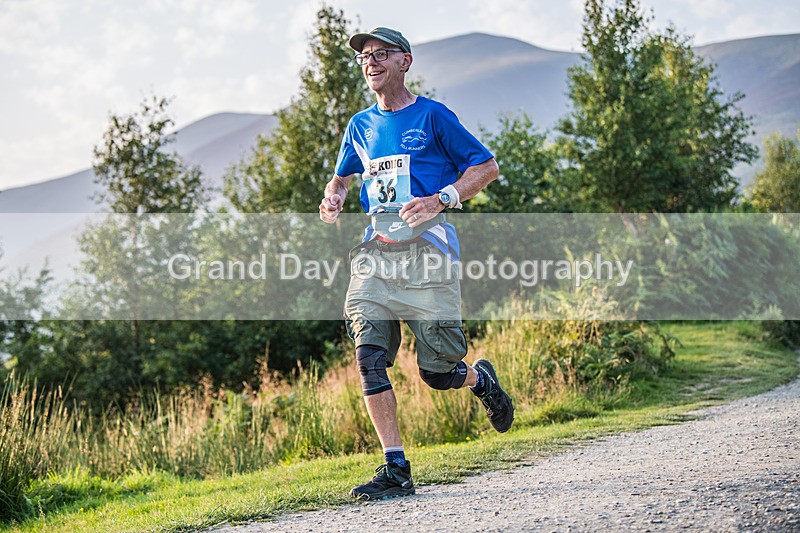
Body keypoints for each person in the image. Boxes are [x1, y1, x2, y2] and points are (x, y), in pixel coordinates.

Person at [319, 27, 514, 501]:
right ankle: (396, 468)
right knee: (368, 356)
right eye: (364, 56)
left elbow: (486, 168)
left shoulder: (433, 116)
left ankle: (481, 380)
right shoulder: (359, 125)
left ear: (404, 61)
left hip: (429, 253)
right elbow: (342, 176)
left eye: (380, 54)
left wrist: (441, 199)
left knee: (438, 372)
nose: (370, 62)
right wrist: (334, 195)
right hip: (375, 254)